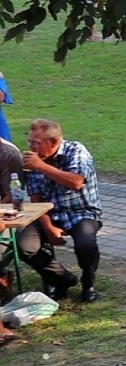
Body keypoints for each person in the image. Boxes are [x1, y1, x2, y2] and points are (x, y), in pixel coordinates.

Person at [15, 120, 104, 302]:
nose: (31, 147)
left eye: (36, 143)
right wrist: (49, 228)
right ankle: (63, 279)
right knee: (25, 247)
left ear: (53, 142)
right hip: (49, 214)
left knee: (85, 244)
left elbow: (76, 182)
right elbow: (37, 198)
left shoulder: (76, 151)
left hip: (81, 212)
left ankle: (89, 283)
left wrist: (41, 166)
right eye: (29, 141)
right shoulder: (32, 161)